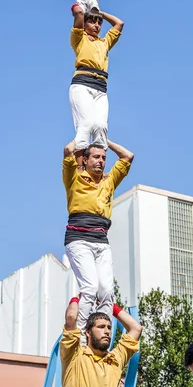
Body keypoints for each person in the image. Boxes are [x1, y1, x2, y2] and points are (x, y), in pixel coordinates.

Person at [62, 139, 133, 333]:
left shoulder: (109, 180)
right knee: (91, 288)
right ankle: (82, 337)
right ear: (84, 160)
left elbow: (128, 156)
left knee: (107, 292)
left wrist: (105, 141)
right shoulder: (74, 177)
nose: (101, 161)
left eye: (103, 158)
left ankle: (101, 333)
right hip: (78, 239)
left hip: (101, 241)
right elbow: (68, 149)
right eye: (95, 157)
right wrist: (86, 134)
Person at [60, 297, 142, 387]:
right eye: (101, 327)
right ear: (87, 332)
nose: (107, 331)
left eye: (109, 327)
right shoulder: (74, 355)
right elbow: (71, 317)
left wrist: (112, 307)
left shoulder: (115, 359)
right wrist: (79, 297)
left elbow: (136, 328)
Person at [69, 3, 124, 165]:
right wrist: (81, 12)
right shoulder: (79, 38)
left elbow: (119, 24)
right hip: (82, 84)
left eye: (99, 23)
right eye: (92, 22)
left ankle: (97, 166)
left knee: (100, 126)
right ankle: (80, 168)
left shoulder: (104, 43)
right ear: (85, 24)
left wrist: (100, 13)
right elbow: (79, 15)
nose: (97, 25)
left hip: (100, 88)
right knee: (85, 124)